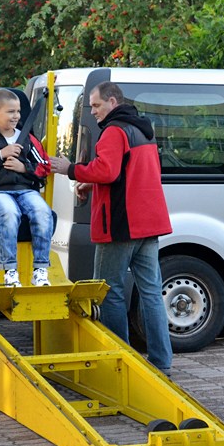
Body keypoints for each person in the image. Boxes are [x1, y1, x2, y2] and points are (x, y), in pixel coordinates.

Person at [49, 81, 173, 375]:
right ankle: (162, 362)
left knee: (109, 292)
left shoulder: (114, 131)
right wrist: (91, 184)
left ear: (113, 102)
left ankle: (121, 360)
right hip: (149, 223)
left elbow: (107, 171)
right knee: (151, 293)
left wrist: (70, 169)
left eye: (96, 105)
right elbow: (128, 174)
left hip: (120, 225)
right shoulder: (143, 129)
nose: (93, 112)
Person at [0, 88, 54, 288]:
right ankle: (10, 271)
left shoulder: (27, 138)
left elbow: (44, 166)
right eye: (11, 112)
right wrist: (1, 154)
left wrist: (24, 168)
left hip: (25, 189)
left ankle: (40, 270)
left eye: (18, 111)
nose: (16, 116)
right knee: (9, 211)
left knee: (42, 211)